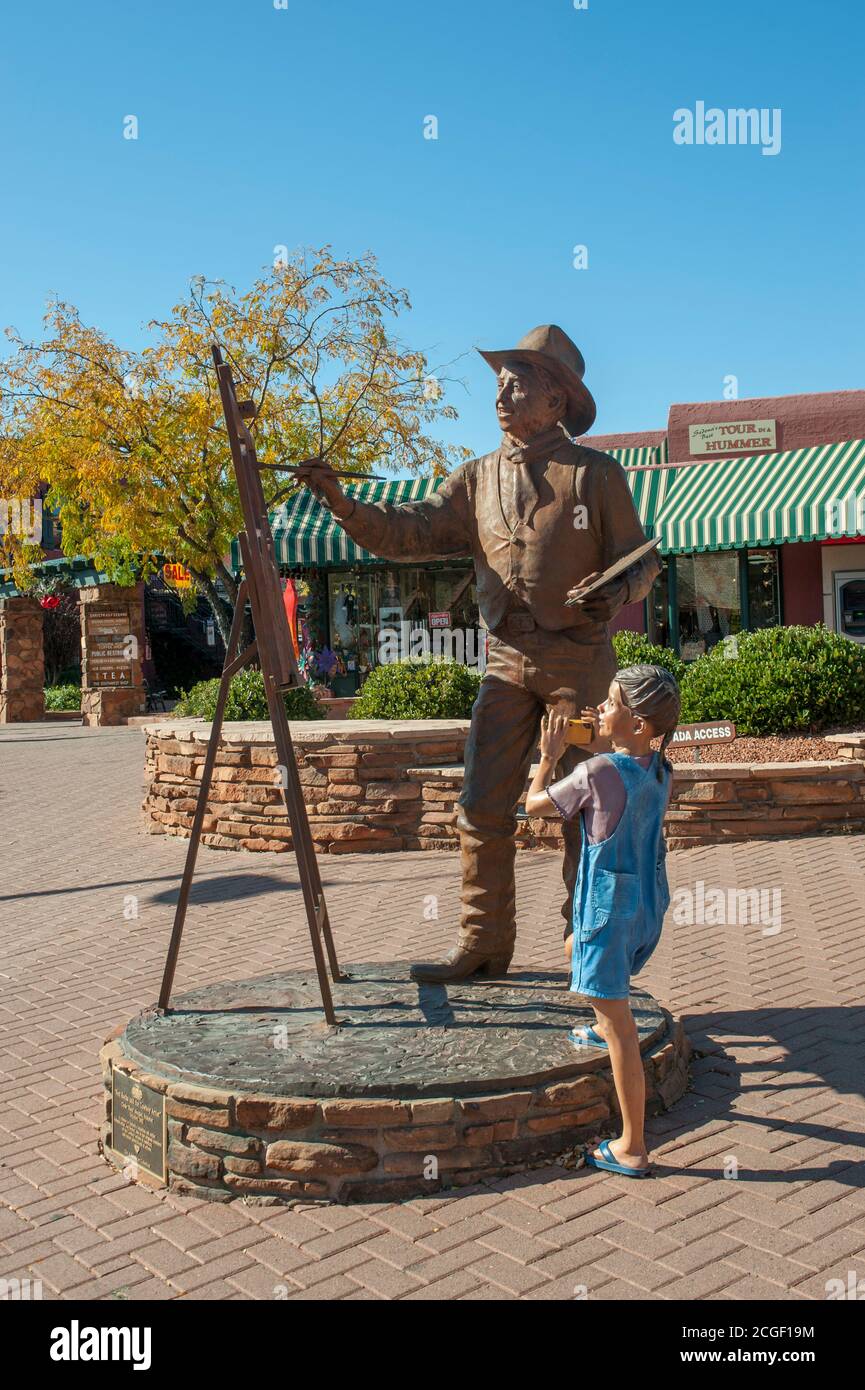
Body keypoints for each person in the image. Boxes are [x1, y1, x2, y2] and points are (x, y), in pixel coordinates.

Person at [293, 325, 661, 982]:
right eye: (498, 382)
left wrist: (619, 588)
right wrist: (344, 504)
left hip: (579, 664)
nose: (502, 393)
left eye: (517, 383)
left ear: (554, 401)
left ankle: (589, 951)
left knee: (587, 812)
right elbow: (411, 530)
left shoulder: (595, 476)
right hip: (505, 663)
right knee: (480, 805)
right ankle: (484, 944)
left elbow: (641, 559)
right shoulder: (474, 478)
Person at [524, 664, 681, 1177]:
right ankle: (602, 1017)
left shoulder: (594, 774)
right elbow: (622, 777)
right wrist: (605, 731)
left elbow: (534, 808)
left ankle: (632, 1146)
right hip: (646, 907)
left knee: (622, 1033)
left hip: (607, 915)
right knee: (576, 955)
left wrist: (546, 760)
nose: (601, 710)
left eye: (611, 703)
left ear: (638, 724)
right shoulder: (660, 768)